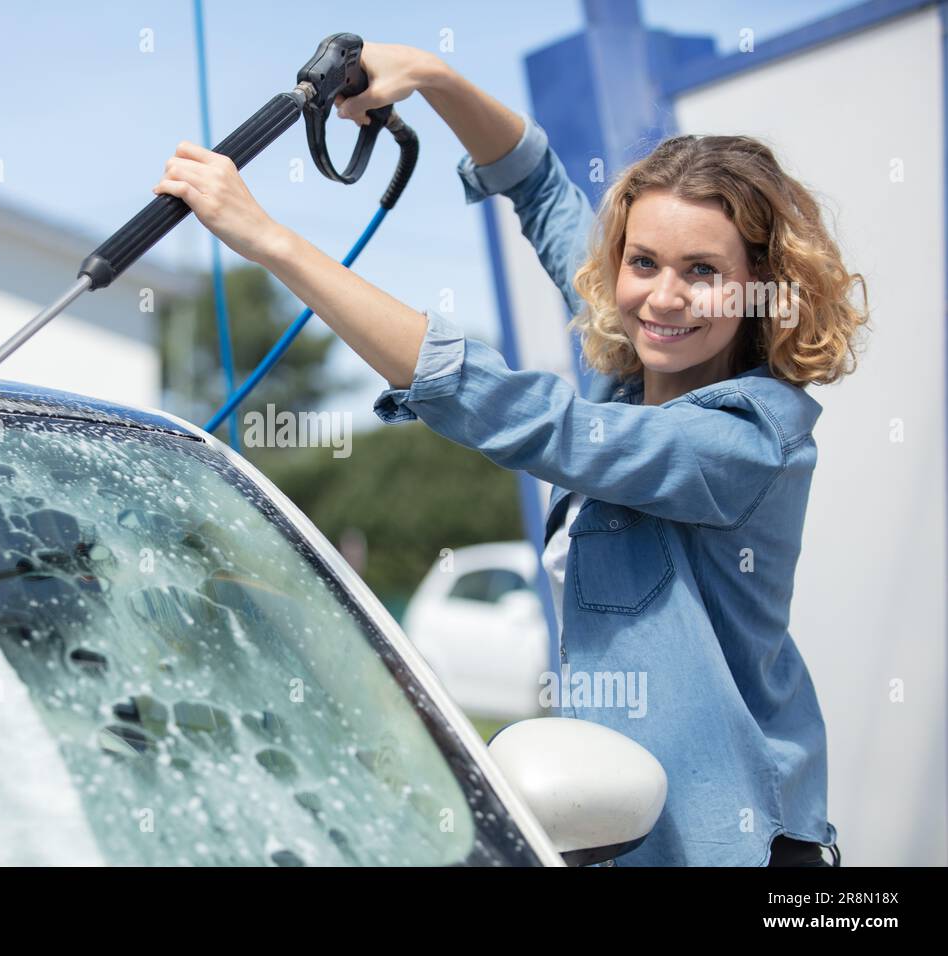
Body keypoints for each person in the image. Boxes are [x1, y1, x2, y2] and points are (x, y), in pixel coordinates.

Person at [152, 41, 867, 866]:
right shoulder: (632, 366)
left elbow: (532, 419)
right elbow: (538, 188)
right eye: (643, 261)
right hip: (627, 830)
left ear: (759, 286)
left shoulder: (745, 439)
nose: (663, 296)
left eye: (702, 271)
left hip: (738, 841)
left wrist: (270, 240)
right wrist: (431, 76)